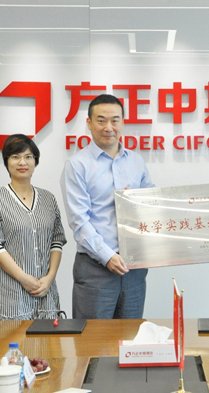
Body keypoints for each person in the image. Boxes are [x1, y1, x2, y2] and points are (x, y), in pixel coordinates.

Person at [61, 94, 154, 319]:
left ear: (123, 122)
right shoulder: (77, 165)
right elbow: (79, 222)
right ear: (89, 123)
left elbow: (152, 206)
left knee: (131, 336)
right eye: (101, 120)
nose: (108, 127)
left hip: (134, 268)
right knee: (93, 338)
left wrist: (140, 203)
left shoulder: (136, 162)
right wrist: (108, 256)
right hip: (95, 269)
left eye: (115, 120)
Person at [0, 134, 66, 320]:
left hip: (45, 292)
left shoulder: (48, 199)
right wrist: (23, 278)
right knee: (10, 339)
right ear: (6, 161)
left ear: (35, 161)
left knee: (47, 339)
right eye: (15, 156)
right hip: (9, 294)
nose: (22, 162)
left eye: (28, 157)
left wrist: (50, 277)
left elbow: (56, 242)